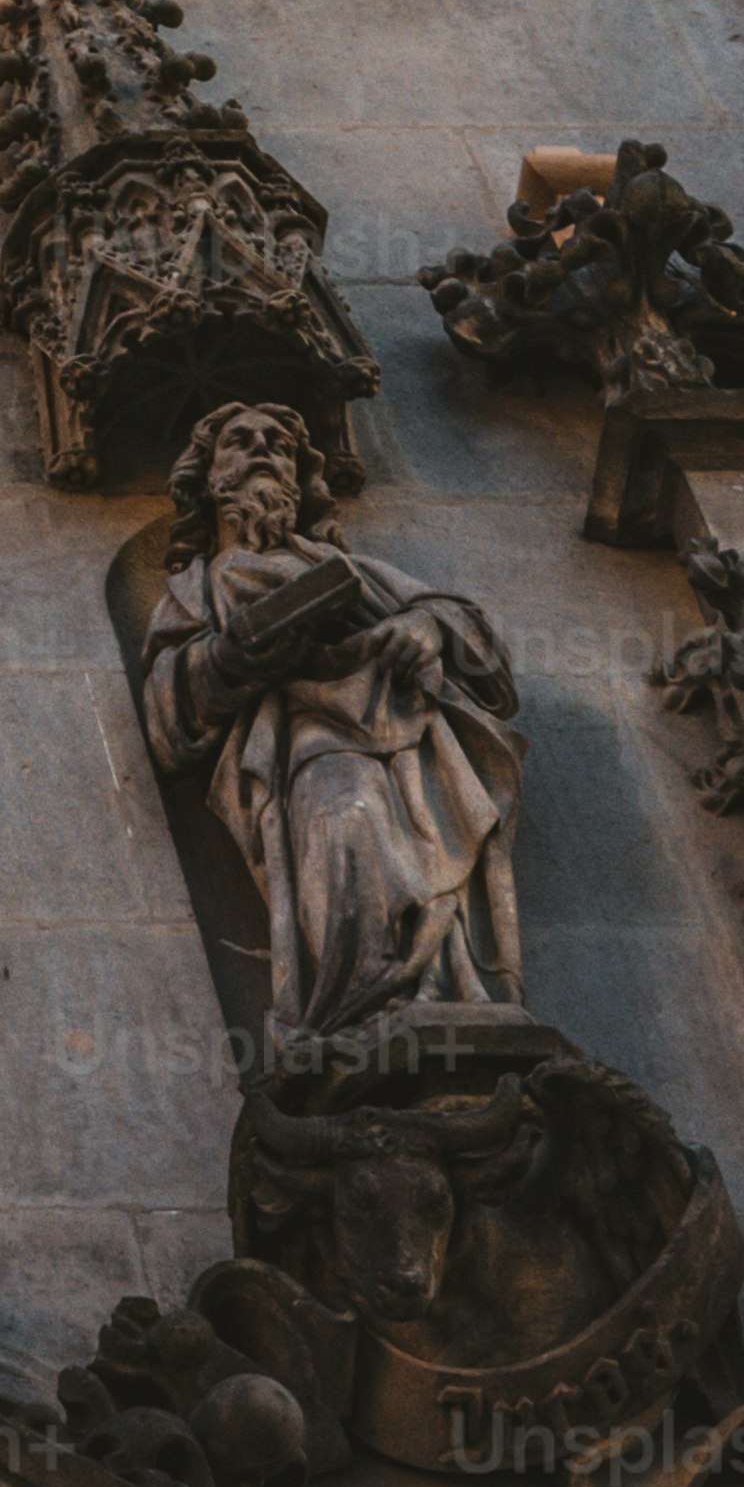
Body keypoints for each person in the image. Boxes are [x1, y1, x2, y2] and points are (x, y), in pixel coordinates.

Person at [137, 399, 524, 1047]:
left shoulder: (344, 569)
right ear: (208, 477)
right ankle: (360, 1006)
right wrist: (231, 657)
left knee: (418, 862)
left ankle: (438, 992)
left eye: (278, 444)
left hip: (408, 747)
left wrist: (422, 628)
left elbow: (474, 638)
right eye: (239, 441)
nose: (260, 449)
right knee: (343, 824)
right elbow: (164, 714)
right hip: (301, 748)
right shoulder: (194, 589)